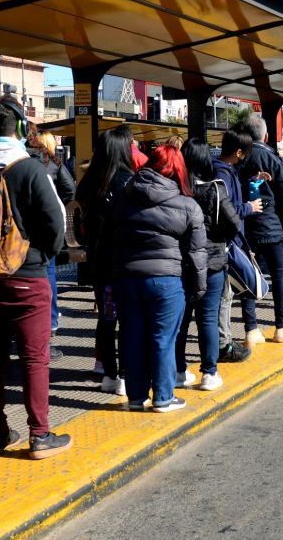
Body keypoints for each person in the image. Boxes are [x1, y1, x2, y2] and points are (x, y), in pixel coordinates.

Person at [0, 97, 70, 460]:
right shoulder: (29, 169)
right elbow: (55, 226)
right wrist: (41, 255)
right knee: (34, 358)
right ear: (17, 128)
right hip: (27, 275)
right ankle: (39, 435)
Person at [99, 144, 206, 412]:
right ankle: (163, 397)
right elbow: (196, 254)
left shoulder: (122, 199)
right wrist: (198, 288)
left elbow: (106, 243)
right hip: (167, 281)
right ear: (178, 170)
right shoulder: (187, 205)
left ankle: (136, 397)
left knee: (132, 336)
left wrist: (105, 280)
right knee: (163, 339)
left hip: (126, 279)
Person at [175, 138, 240, 391]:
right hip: (212, 263)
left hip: (181, 263)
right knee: (208, 319)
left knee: (181, 320)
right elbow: (234, 222)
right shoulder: (215, 188)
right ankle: (209, 373)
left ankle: (179, 371)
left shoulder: (176, 188)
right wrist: (218, 237)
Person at [75, 126, 135, 395]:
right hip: (125, 262)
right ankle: (124, 374)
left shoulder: (88, 183)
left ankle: (110, 374)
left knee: (107, 318)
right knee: (127, 319)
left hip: (99, 262)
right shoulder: (128, 182)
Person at [238, 114, 283, 343]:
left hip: (246, 225)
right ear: (265, 135)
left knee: (247, 275)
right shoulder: (273, 158)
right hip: (272, 225)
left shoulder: (239, 157)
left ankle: (251, 329)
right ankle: (281, 326)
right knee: (278, 275)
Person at [212, 127, 260, 362]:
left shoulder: (220, 169)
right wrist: (250, 208)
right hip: (226, 243)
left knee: (225, 294)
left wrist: (251, 179)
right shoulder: (223, 174)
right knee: (225, 296)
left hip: (223, 243)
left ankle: (223, 341)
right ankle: (224, 344)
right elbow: (228, 211)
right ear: (239, 152)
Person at [26, 124, 75, 341]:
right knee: (49, 272)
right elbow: (70, 189)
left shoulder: (15, 157)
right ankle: (51, 319)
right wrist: (58, 207)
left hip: (18, 226)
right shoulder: (50, 160)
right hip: (46, 224)